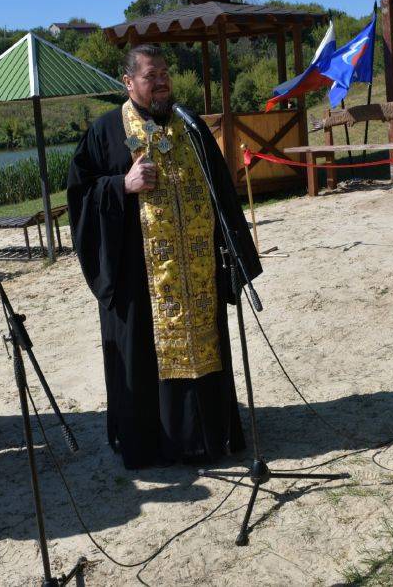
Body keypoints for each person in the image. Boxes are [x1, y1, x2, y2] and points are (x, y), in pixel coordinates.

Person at [67, 44, 262, 469]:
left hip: (197, 274)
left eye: (165, 75)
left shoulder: (190, 127)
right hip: (139, 279)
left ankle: (209, 436)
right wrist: (122, 185)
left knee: (205, 348)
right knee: (143, 356)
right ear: (128, 82)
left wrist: (234, 255)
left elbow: (222, 192)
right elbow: (80, 199)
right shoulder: (104, 133)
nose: (161, 83)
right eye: (151, 76)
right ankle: (154, 445)